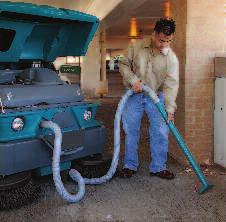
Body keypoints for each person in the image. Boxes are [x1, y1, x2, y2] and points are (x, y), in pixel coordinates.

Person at [118, 18, 179, 179]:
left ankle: (158, 167)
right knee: (131, 130)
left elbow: (171, 84)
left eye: (168, 41)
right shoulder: (136, 47)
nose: (164, 45)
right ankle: (130, 165)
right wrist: (132, 80)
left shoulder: (170, 58)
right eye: (161, 40)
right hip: (133, 95)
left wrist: (170, 108)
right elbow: (123, 64)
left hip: (156, 97)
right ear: (154, 34)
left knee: (160, 131)